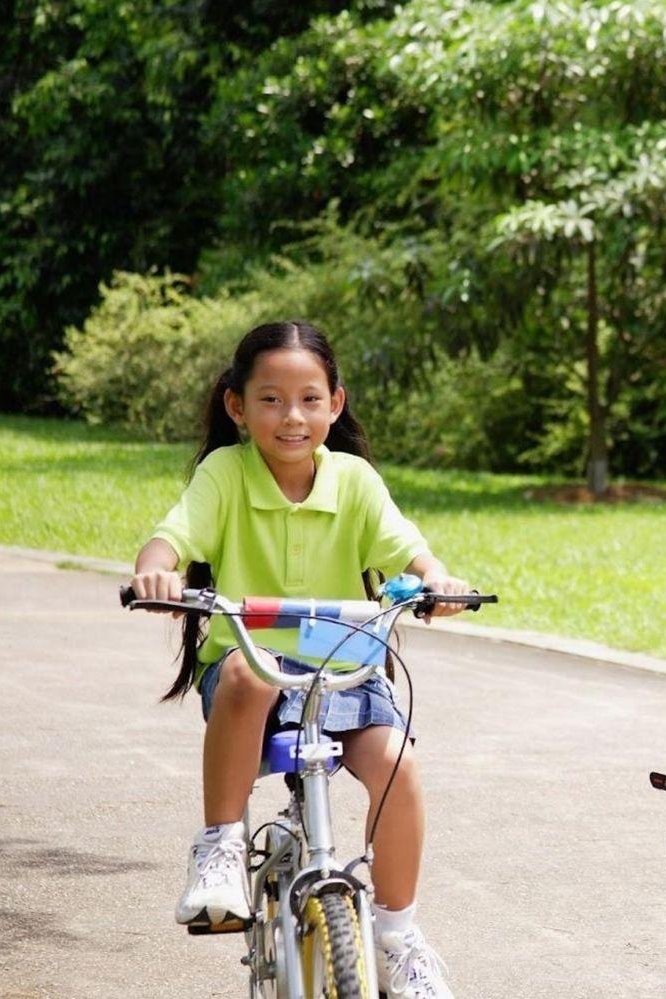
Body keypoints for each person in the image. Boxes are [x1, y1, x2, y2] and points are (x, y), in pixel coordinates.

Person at [127, 321, 473, 999]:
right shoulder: (224, 473)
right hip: (248, 673)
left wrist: (439, 579)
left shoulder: (355, 481)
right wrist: (156, 573)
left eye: (310, 399)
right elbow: (169, 538)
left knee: (399, 762)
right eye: (271, 399)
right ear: (237, 405)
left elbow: (409, 549)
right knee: (249, 671)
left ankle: (397, 932)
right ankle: (221, 842)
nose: (293, 417)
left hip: (345, 668)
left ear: (336, 403)